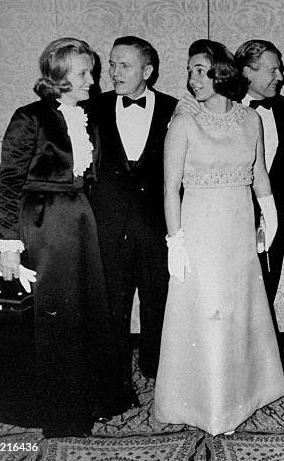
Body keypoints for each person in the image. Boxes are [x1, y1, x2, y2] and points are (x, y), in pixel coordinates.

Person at [0, 37, 123, 438]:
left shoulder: (85, 117)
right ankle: (57, 415)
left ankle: (84, 402)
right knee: (52, 322)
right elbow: (8, 182)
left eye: (92, 72)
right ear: (60, 76)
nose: (93, 80)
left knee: (81, 317)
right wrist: (8, 246)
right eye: (83, 73)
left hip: (79, 223)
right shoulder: (29, 118)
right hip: (42, 226)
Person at [154, 39, 284, 436]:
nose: (192, 78)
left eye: (200, 69)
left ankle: (243, 397)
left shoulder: (250, 120)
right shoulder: (183, 120)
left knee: (238, 313)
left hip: (238, 229)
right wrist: (175, 240)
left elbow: (260, 173)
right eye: (190, 70)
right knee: (210, 316)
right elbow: (169, 187)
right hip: (200, 231)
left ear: (221, 72)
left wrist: (271, 218)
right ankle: (212, 409)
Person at [89, 36, 178, 406]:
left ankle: (157, 371)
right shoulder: (91, 108)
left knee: (159, 304)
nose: (113, 72)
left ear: (148, 71)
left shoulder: (176, 109)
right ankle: (115, 382)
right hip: (108, 230)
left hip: (157, 230)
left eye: (123, 65)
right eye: (111, 64)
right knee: (113, 309)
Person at [234, 40, 284, 355]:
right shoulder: (223, 109)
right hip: (233, 217)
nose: (280, 76)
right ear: (247, 71)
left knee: (267, 285)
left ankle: (259, 358)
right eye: (272, 69)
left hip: (273, 217)